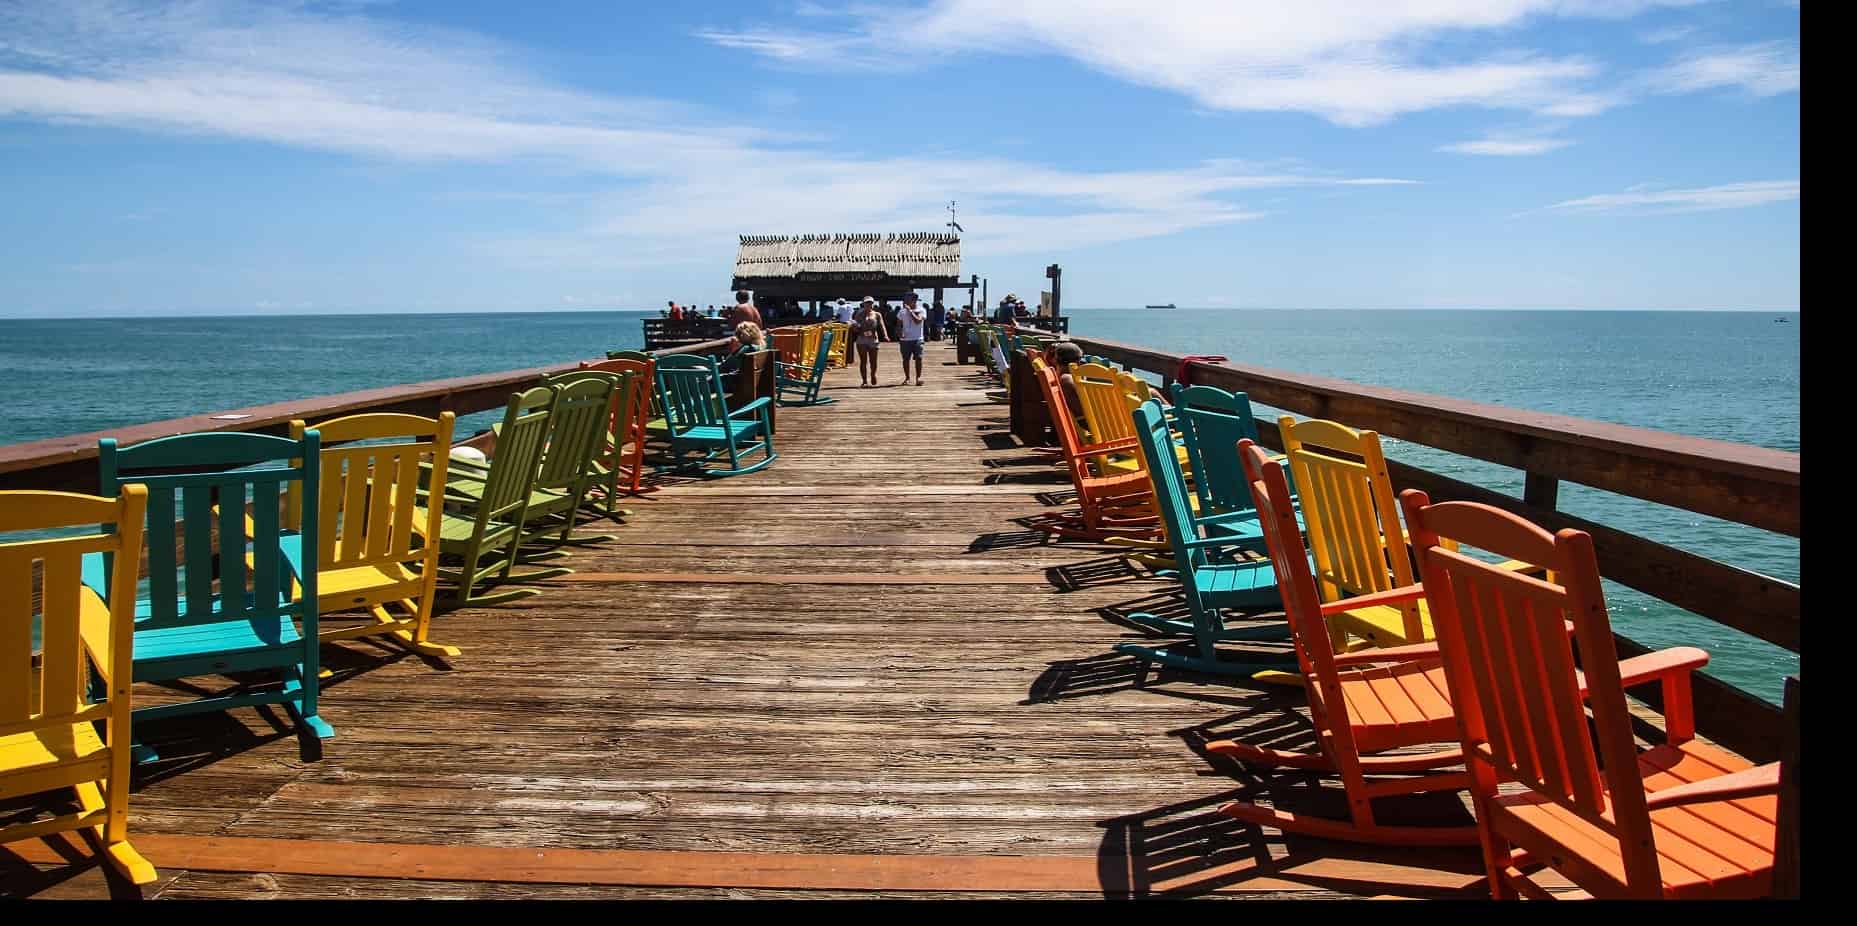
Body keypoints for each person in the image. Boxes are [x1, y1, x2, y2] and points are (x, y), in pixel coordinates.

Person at [895, 292, 928, 386]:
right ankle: (907, 378)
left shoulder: (921, 310)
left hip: (918, 338)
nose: (906, 302)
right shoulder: (901, 311)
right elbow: (898, 324)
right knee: (906, 359)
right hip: (905, 339)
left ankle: (918, 377)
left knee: (919, 358)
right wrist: (899, 333)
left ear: (914, 300)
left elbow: (918, 321)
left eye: (908, 300)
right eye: (905, 300)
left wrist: (910, 311)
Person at [853, 296, 885, 387]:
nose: (868, 305)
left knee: (873, 361)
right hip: (861, 338)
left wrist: (885, 335)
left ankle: (873, 375)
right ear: (863, 304)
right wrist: (855, 327)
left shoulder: (877, 314)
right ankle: (864, 380)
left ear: (873, 304)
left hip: (873, 338)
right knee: (863, 361)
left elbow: (882, 325)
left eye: (870, 303)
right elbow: (855, 326)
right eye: (867, 303)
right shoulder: (858, 314)